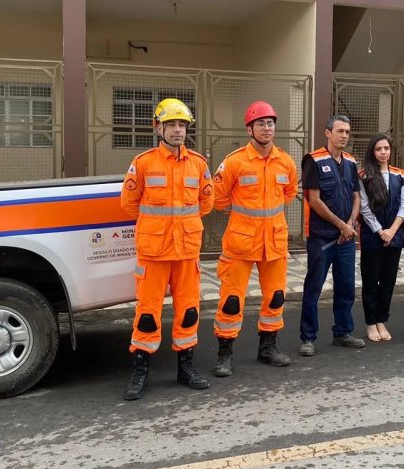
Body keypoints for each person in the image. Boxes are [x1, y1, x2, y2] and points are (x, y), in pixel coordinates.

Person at [121, 97, 214, 401]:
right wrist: (158, 228)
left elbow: (206, 202)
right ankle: (140, 370)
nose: (177, 130)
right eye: (171, 124)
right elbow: (129, 204)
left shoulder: (199, 163)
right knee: (147, 314)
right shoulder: (144, 162)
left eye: (182, 125)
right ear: (157, 127)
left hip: (186, 252)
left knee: (188, 312)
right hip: (154, 253)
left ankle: (185, 368)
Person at [211, 101, 299, 377]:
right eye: (260, 123)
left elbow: (289, 193)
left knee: (275, 298)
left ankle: (268, 348)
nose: (266, 128)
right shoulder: (235, 161)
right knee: (231, 300)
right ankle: (225, 353)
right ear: (250, 129)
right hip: (241, 242)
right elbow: (218, 197)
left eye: (270, 123)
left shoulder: (285, 160)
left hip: (273, 242)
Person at [298, 115, 364, 355]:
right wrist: (341, 226)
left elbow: (356, 196)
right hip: (321, 237)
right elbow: (314, 200)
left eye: (347, 131)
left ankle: (343, 332)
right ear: (328, 133)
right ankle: (308, 337)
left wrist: (350, 225)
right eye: (339, 131)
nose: (344, 135)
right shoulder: (313, 160)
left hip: (346, 239)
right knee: (314, 287)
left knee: (346, 286)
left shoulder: (350, 162)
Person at [358, 134, 404, 342]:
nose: (383, 152)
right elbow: (364, 208)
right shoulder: (364, 176)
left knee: (388, 281)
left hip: (395, 235)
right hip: (372, 236)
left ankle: (381, 321)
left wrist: (392, 231)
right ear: (373, 151)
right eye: (379, 149)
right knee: (371, 281)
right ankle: (371, 323)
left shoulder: (401, 176)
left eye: (386, 148)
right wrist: (381, 231)